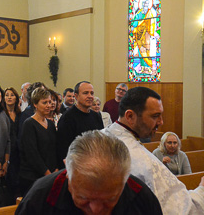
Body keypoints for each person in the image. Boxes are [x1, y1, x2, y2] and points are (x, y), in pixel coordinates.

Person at [103, 86, 204, 214]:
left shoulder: (98, 137)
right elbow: (180, 210)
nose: (161, 122)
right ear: (130, 116)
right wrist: (202, 191)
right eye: (155, 116)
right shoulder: (143, 161)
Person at [16, 130, 163, 215]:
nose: (96, 210)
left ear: (123, 182)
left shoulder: (140, 196)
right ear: (68, 176)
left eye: (109, 200)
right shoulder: (41, 198)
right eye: (84, 198)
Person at [56, 81, 104, 168]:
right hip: (76, 166)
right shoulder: (67, 118)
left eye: (92, 93)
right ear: (76, 96)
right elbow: (63, 148)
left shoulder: (96, 116)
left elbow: (101, 141)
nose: (90, 96)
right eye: (86, 93)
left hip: (95, 164)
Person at [19, 88, 57, 196]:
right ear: (35, 104)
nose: (48, 105)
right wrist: (47, 173)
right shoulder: (29, 124)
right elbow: (32, 153)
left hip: (49, 174)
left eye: (50, 102)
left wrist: (55, 169)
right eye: (44, 102)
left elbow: (53, 149)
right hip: (32, 176)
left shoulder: (50, 124)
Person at [4, 87, 22, 199]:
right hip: (6, 151)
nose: (9, 97)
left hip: (18, 152)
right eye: (7, 95)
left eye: (12, 95)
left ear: (16, 98)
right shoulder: (1, 114)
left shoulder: (20, 114)